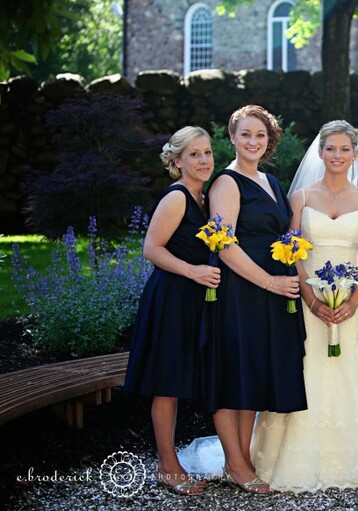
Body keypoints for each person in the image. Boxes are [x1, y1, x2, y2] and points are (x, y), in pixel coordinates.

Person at [250, 119, 358, 491]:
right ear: (320, 152)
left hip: (350, 302)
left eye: (345, 149)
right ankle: (290, 458)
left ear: (355, 154)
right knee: (306, 369)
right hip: (308, 299)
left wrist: (354, 299)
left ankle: (356, 460)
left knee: (349, 371)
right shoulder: (300, 198)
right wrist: (311, 299)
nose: (337, 156)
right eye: (331, 149)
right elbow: (293, 249)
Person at [206, 105, 307, 493]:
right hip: (241, 291)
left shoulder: (272, 182)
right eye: (246, 134)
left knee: (252, 375)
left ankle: (242, 459)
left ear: (269, 140)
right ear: (232, 137)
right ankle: (235, 462)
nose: (253, 141)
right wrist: (269, 282)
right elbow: (224, 244)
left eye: (260, 135)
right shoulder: (227, 183)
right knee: (233, 374)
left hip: (271, 291)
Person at [123, 126, 220, 496]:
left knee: (179, 380)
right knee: (167, 385)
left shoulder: (204, 197)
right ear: (177, 161)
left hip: (193, 298)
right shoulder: (177, 197)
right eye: (194, 154)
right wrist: (193, 271)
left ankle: (171, 463)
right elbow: (151, 248)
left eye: (207, 152)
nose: (203, 160)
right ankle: (168, 467)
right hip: (172, 298)